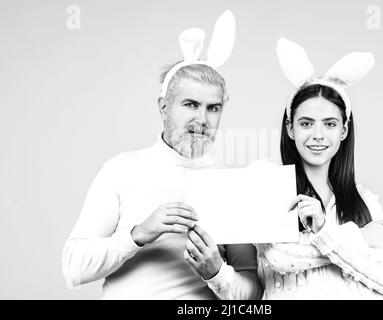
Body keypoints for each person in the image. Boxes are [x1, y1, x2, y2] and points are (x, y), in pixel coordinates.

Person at [62, 10, 262, 300]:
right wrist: (138, 234)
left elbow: (253, 293)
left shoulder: (232, 184)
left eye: (213, 108)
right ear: (163, 107)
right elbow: (73, 267)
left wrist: (217, 273)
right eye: (191, 104)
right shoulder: (122, 169)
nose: (202, 120)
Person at [255, 38, 383, 299]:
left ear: (344, 130)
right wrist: (358, 238)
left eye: (330, 124)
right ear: (290, 128)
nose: (318, 135)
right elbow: (280, 256)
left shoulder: (365, 200)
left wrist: (324, 236)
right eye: (306, 123)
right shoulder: (269, 182)